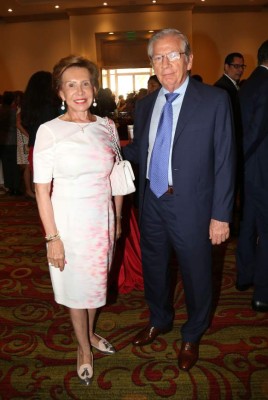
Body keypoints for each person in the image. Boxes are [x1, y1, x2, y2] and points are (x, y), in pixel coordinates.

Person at [122, 28, 235, 371]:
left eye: (173, 55)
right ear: (151, 64)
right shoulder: (144, 105)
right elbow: (143, 150)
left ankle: (193, 331)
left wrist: (221, 214)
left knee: (197, 273)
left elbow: (225, 160)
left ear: (189, 60)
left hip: (194, 207)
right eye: (158, 57)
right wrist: (106, 148)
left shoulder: (214, 100)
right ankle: (160, 318)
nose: (166, 63)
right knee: (154, 267)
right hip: (153, 202)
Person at [33, 55, 123, 385]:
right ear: (60, 92)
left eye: (85, 83)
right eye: (71, 85)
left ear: (95, 88)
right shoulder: (49, 131)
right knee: (75, 290)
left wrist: (119, 217)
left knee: (96, 287)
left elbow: (116, 177)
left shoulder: (107, 126)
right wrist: (52, 238)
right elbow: (41, 190)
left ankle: (91, 332)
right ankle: (84, 347)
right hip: (68, 223)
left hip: (102, 221)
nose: (79, 90)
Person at [235, 40, 268, 312]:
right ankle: (263, 292)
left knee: (248, 224)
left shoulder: (249, 83)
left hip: (249, 170)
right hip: (261, 169)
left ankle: (244, 277)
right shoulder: (267, 83)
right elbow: (256, 131)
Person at [214, 53, 245, 235]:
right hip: (228, 147)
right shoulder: (222, 88)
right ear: (226, 67)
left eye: (242, 66)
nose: (239, 70)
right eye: (236, 66)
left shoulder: (234, 87)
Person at [20, 71, 59, 173]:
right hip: (49, 150)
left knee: (39, 182)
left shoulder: (28, 106)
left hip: (35, 148)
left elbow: (23, 123)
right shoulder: (49, 107)